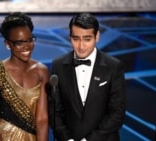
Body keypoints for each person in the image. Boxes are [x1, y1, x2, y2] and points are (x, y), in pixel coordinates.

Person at [48, 13, 126, 141]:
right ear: (70, 37)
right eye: (76, 39)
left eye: (87, 39)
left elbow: (117, 114)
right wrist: (67, 139)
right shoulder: (58, 65)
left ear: (97, 36)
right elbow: (54, 111)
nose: (81, 46)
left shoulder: (114, 66)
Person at [0, 12, 49, 141]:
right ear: (7, 44)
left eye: (29, 40)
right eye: (19, 43)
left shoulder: (42, 71)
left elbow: (42, 119)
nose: (26, 46)